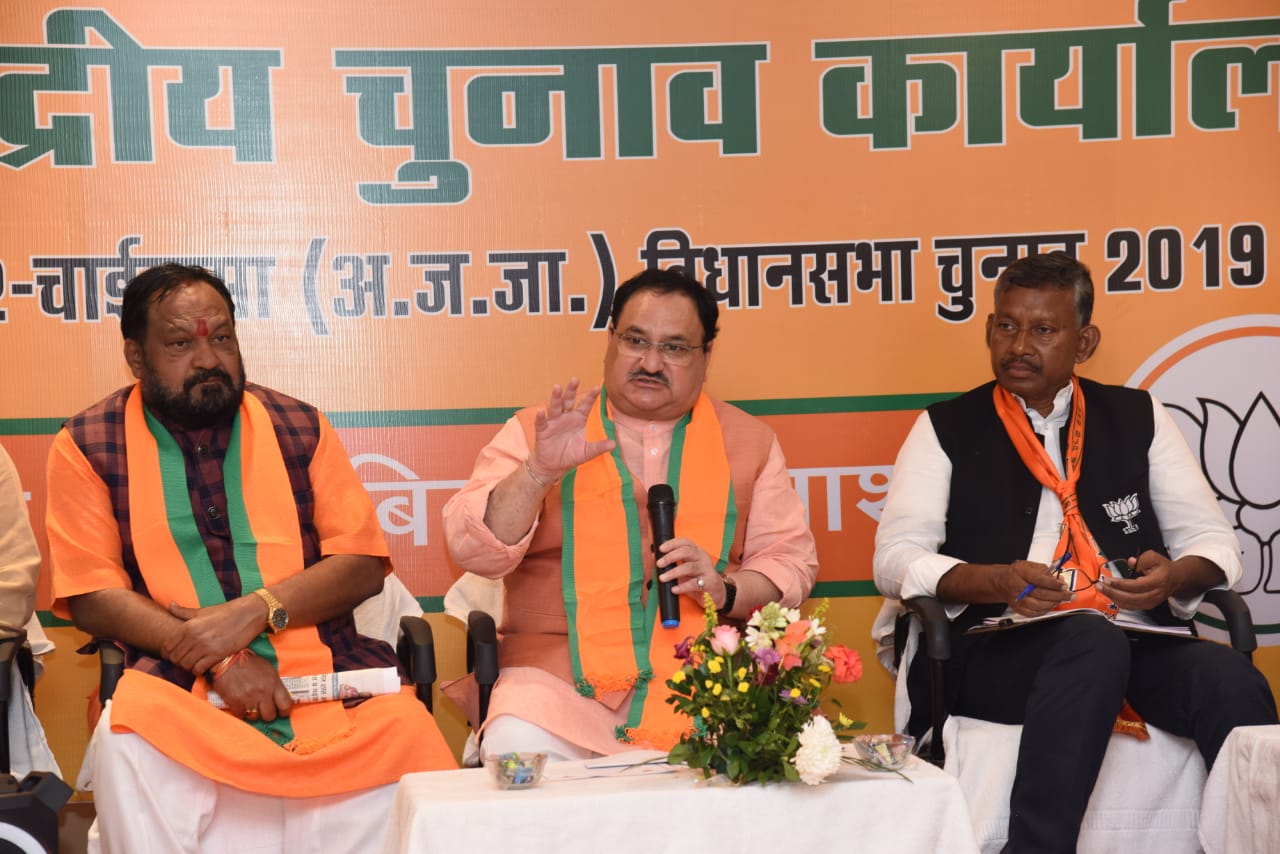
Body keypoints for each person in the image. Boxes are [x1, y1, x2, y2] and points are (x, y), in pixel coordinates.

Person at [873, 250, 1277, 853]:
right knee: (1088, 638)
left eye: (1043, 330)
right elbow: (895, 558)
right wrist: (996, 581)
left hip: (1134, 635)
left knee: (1228, 680)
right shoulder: (945, 427)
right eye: (1006, 326)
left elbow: (1214, 542)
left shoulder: (1138, 416)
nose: (1018, 345)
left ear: (1084, 342)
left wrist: (1172, 580)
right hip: (996, 647)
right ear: (988, 330)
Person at [46, 264, 456, 852]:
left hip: (328, 672)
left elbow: (362, 563)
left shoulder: (301, 426)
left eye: (222, 339)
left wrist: (256, 612)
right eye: (182, 343)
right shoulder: (87, 443)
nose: (209, 358)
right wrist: (220, 658)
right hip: (176, 685)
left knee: (407, 730)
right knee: (126, 740)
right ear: (136, 358)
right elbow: (91, 594)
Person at [443, 266, 819, 759]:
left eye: (675, 347)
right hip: (555, 684)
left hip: (709, 682)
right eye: (635, 340)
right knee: (516, 749)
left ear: (706, 356)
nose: (650, 361)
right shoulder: (542, 430)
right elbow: (474, 550)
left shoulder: (749, 442)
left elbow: (790, 563)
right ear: (610, 341)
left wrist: (723, 588)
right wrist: (538, 471)